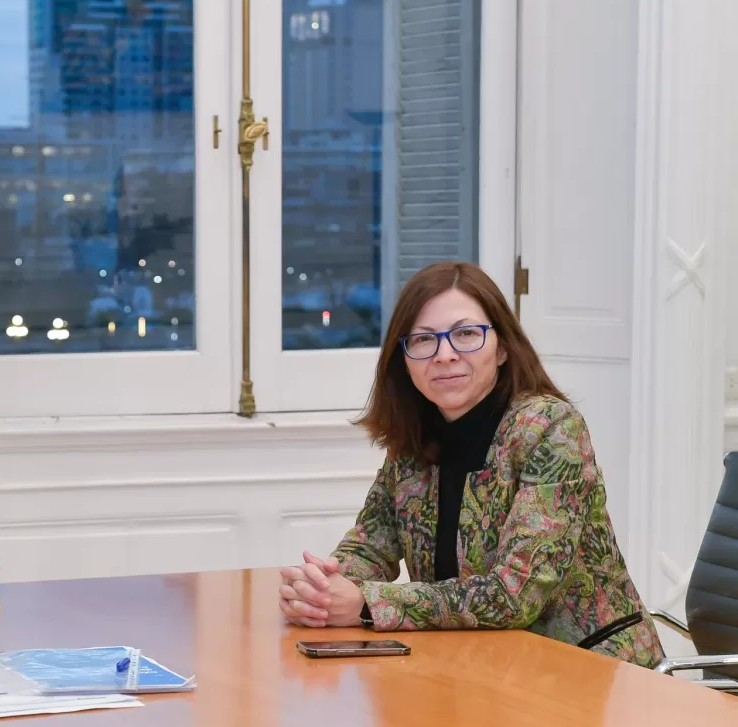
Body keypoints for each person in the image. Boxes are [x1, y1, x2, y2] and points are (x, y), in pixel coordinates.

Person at [279, 262, 664, 668]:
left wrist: (366, 605)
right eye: (424, 340)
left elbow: (515, 595)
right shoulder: (417, 437)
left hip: (592, 671)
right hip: (482, 664)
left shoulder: (549, 428)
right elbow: (371, 544)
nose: (444, 355)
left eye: (465, 334)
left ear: (501, 348)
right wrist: (322, 589)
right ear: (403, 358)